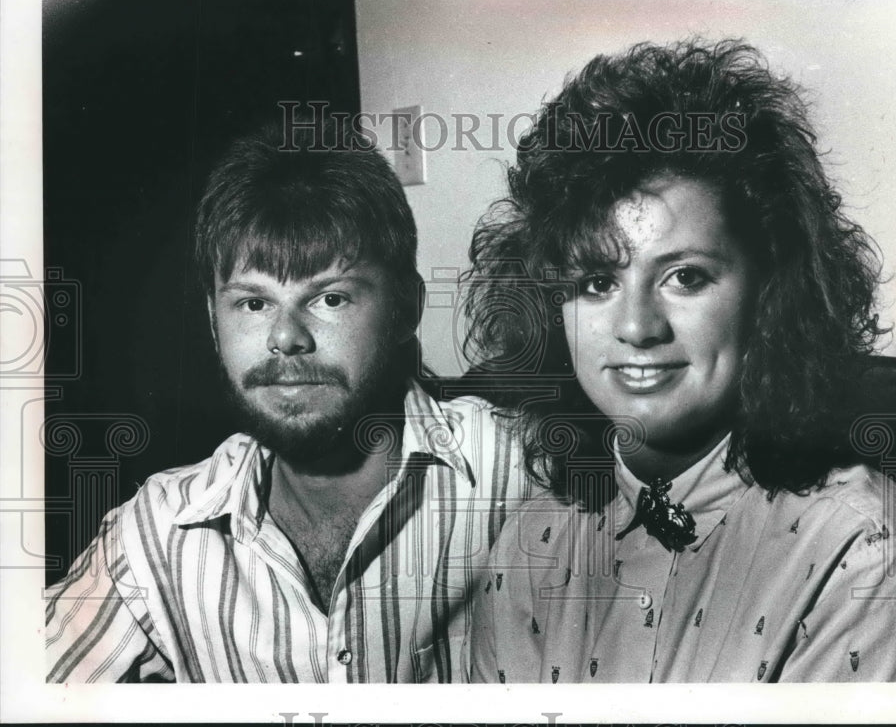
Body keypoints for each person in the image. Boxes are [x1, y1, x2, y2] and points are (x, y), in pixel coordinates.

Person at [462, 39, 896, 683]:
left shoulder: (868, 556)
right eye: (596, 282)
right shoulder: (529, 542)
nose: (637, 327)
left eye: (686, 277)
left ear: (771, 292)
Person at [45, 118, 532, 682]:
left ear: (406, 310)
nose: (285, 337)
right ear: (212, 319)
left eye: (329, 297)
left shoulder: (521, 471)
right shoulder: (159, 532)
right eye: (253, 304)